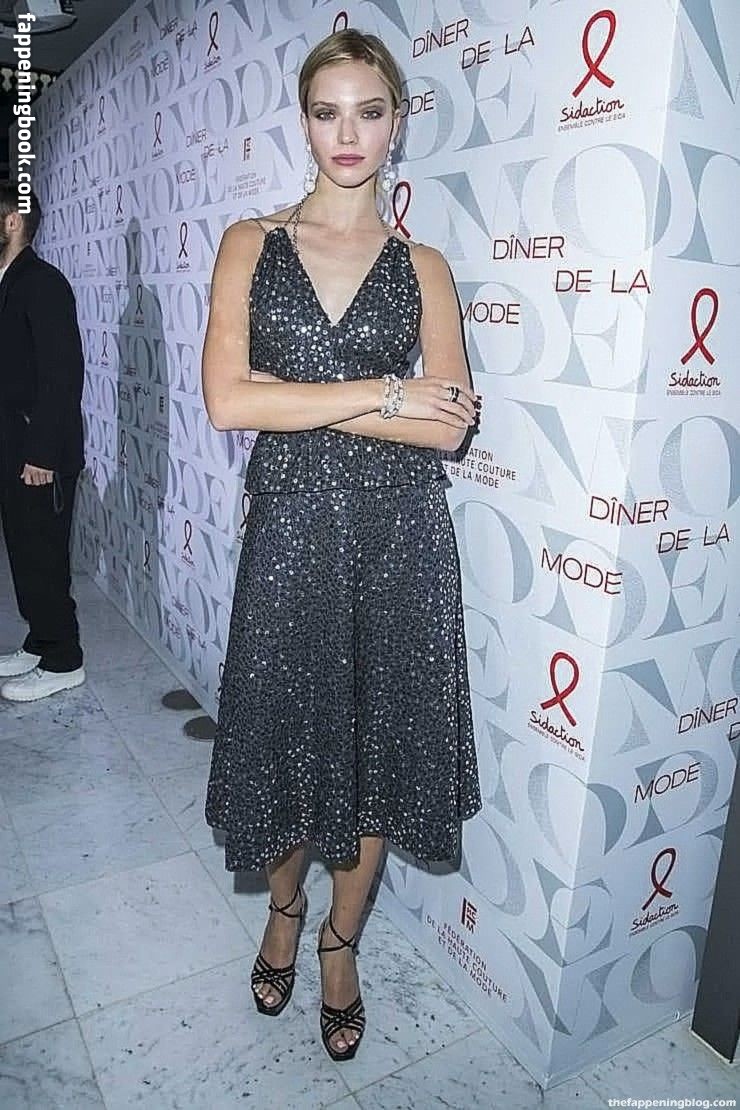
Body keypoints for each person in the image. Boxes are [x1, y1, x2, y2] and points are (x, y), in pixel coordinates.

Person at [201, 29, 483, 1061]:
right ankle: (283, 915)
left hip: (400, 541)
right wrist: (386, 392)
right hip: (287, 537)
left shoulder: (424, 266)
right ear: (304, 121)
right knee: (284, 740)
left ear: (396, 122)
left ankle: (337, 945)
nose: (347, 133)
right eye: (328, 112)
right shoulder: (250, 243)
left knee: (374, 755)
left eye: (368, 111)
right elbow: (229, 402)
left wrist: (303, 397)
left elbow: (448, 425)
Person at [0, 182, 86, 701]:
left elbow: (62, 375)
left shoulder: (43, 283)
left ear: (12, 221)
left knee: (44, 557)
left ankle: (63, 659)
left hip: (39, 453)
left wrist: (41, 454)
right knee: (24, 553)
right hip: (14, 446)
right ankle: (39, 641)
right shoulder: (10, 282)